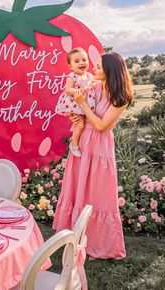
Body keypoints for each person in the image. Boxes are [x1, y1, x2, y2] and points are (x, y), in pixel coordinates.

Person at [53, 52, 133, 260]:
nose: (93, 69)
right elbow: (75, 103)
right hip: (82, 144)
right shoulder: (95, 86)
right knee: (78, 189)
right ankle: (75, 238)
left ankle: (100, 244)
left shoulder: (121, 97)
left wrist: (83, 106)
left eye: (98, 66)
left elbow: (101, 125)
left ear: (109, 71)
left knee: (99, 194)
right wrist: (75, 114)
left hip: (99, 147)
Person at [55, 47, 95, 157]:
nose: (81, 63)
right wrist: (78, 91)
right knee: (80, 125)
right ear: (71, 67)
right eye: (77, 61)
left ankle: (79, 143)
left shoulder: (89, 76)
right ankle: (74, 144)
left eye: (84, 60)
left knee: (85, 123)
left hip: (84, 104)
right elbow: (68, 89)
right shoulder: (72, 76)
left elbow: (94, 84)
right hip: (73, 104)